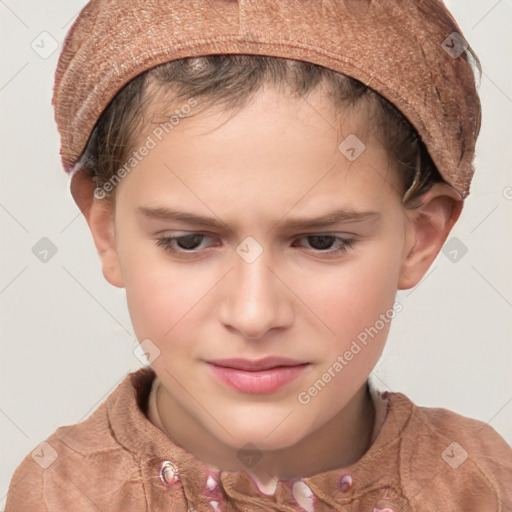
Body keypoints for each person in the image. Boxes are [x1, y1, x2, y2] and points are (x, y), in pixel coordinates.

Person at [6, 1, 512, 511]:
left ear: (420, 237)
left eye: (321, 242)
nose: (253, 315)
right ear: (106, 231)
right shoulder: (63, 495)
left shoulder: (479, 484)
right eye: (188, 241)